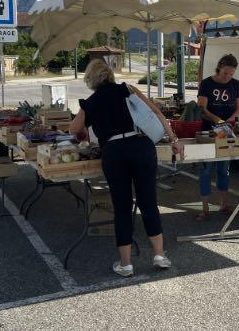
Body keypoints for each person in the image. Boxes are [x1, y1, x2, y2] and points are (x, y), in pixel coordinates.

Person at [70, 59, 183, 277]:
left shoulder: (91, 102)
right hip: (141, 146)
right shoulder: (128, 89)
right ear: (110, 74)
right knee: (148, 201)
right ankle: (159, 255)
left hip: (114, 152)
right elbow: (156, 112)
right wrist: (173, 139)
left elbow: (74, 128)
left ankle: (126, 264)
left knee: (121, 206)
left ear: (91, 79)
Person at [195, 54, 239, 221]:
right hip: (208, 132)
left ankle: (223, 204)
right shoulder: (207, 83)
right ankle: (205, 208)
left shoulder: (236, 84)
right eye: (225, 73)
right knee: (206, 170)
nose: (228, 77)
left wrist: (228, 121)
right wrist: (217, 121)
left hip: (226, 132)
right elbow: (202, 109)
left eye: (231, 74)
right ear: (220, 67)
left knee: (224, 169)